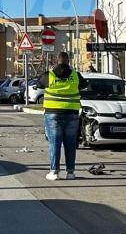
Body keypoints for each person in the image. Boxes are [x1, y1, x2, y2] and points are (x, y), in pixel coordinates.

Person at [37, 51, 88, 180]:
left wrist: (52, 70)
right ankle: (70, 172)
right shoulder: (76, 75)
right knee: (70, 144)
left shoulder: (50, 75)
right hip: (72, 114)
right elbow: (84, 85)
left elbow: (39, 83)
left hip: (53, 114)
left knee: (54, 143)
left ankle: (54, 172)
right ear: (68, 62)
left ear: (57, 61)